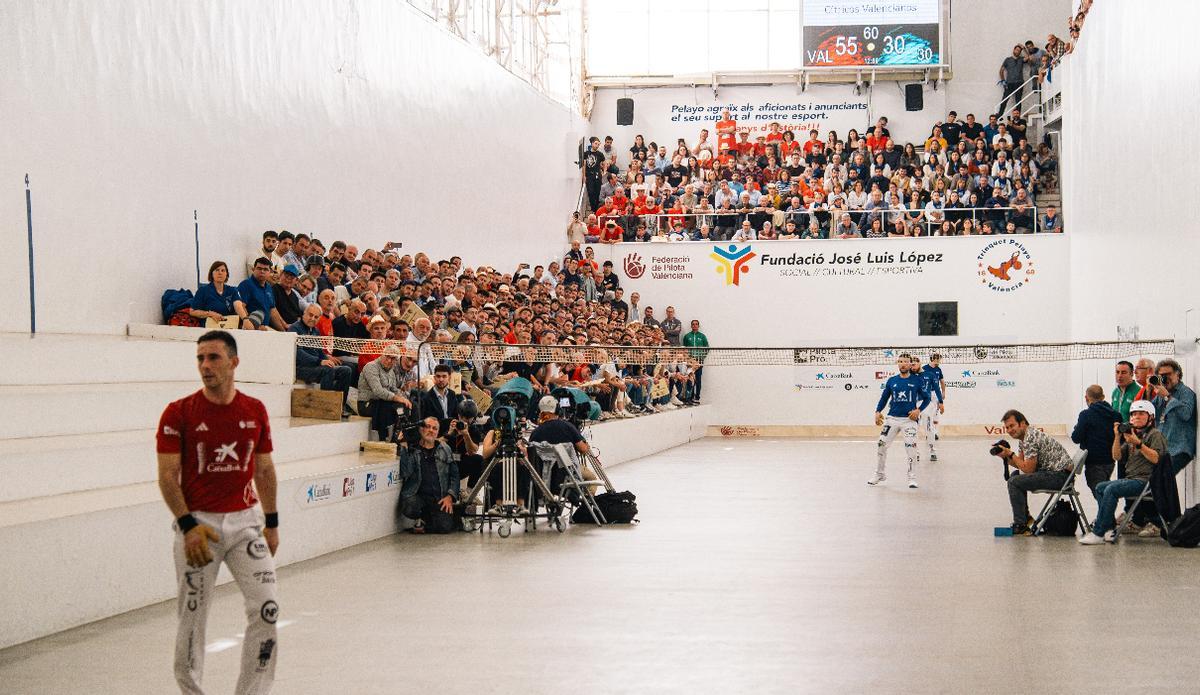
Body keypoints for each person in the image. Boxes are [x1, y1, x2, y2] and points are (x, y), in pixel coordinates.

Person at [155, 330, 280, 694]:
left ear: (234, 362)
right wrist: (188, 526)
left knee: (267, 607)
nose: (205, 366)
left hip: (245, 524)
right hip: (200, 526)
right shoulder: (178, 412)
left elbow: (264, 470)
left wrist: (272, 523)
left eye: (213, 358)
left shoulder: (254, 409)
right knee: (192, 619)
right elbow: (167, 475)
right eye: (200, 359)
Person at [1080, 401, 1167, 545]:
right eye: (1133, 414)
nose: (1136, 417)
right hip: (1131, 479)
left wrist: (1139, 444)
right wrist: (1117, 436)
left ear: (1150, 417)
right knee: (1100, 487)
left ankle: (1098, 533)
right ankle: (1109, 528)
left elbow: (1156, 458)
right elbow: (1117, 456)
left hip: (1146, 481)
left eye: (1141, 414)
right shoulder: (1132, 436)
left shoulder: (1155, 435)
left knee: (1111, 489)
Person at [992, 409, 1074, 536]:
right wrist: (1005, 456)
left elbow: (1028, 470)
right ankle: (1026, 518)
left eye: (1012, 426)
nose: (1009, 430)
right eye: (1007, 427)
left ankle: (1021, 524)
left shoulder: (1030, 438)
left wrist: (1011, 454)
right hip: (1057, 474)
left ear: (1022, 423)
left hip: (1061, 477)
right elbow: (1021, 465)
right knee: (1015, 476)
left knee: (1014, 482)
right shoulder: (1024, 438)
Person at [871, 353, 930, 488]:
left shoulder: (917, 380)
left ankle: (912, 477)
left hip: (909, 421)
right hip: (892, 419)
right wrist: (877, 411)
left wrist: (918, 410)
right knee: (881, 445)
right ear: (898, 363)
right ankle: (880, 474)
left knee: (911, 448)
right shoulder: (892, 380)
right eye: (900, 361)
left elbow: (927, 398)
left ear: (910, 364)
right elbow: (884, 398)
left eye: (905, 362)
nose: (903, 364)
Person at [396, 416, 459, 534]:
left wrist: (450, 496)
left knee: (445, 527)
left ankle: (425, 523)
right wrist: (403, 445)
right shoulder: (413, 449)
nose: (431, 430)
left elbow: (455, 475)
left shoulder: (445, 449)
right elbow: (405, 472)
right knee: (410, 507)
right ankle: (423, 518)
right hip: (418, 497)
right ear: (421, 429)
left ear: (438, 432)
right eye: (428, 427)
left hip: (439, 497)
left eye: (435, 428)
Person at [290, 305, 354, 416]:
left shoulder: (315, 331)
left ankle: (339, 406)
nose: (312, 318)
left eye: (316, 317)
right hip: (301, 368)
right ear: (304, 314)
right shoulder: (295, 329)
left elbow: (320, 352)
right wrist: (320, 361)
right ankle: (326, 407)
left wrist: (327, 359)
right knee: (327, 370)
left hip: (316, 366)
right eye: (310, 315)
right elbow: (298, 353)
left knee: (346, 370)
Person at [528, 395, 596, 497]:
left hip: (543, 479)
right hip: (567, 475)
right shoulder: (567, 427)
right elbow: (583, 449)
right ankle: (585, 503)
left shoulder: (535, 433)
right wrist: (586, 444)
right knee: (591, 478)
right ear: (557, 410)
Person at [1070, 384, 1121, 498]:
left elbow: (1076, 438)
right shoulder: (1116, 415)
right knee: (1104, 490)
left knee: (1100, 494)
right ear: (1103, 397)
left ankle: (1106, 510)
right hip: (1110, 460)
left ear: (1086, 398)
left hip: (1093, 461)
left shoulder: (1085, 415)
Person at [357, 344, 414, 442]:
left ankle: (402, 436)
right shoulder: (371, 367)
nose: (389, 360)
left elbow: (394, 389)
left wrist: (404, 399)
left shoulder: (390, 371)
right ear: (382, 355)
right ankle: (384, 437)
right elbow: (378, 391)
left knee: (408, 405)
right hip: (367, 404)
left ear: (396, 361)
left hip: (381, 402)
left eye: (393, 359)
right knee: (388, 405)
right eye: (387, 357)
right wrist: (397, 398)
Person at [1151, 358, 1196, 475]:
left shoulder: (1185, 392)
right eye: (1162, 376)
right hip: (1163, 450)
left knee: (1161, 477)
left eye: (1168, 374)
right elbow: (1149, 413)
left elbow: (1185, 414)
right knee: (1157, 479)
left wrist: (1167, 397)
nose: (1165, 378)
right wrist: (1148, 391)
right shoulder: (1160, 394)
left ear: (1178, 375)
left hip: (1179, 449)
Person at [189, 261, 245, 325]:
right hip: (209, 326)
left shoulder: (233, 290)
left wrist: (245, 319)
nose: (220, 273)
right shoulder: (203, 291)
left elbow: (238, 306)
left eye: (223, 270)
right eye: (217, 270)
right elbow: (192, 311)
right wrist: (210, 314)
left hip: (229, 326)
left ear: (226, 274)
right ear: (211, 274)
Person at [912, 354, 945, 461]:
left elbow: (937, 389)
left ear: (919, 363)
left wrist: (941, 402)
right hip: (913, 405)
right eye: (911, 364)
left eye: (914, 364)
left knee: (929, 428)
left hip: (926, 404)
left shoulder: (930, 375)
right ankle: (915, 452)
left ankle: (932, 451)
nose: (912, 366)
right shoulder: (909, 376)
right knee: (913, 429)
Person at [419, 364, 462, 436]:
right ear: (434, 378)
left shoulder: (452, 394)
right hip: (435, 435)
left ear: (449, 378)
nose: (441, 379)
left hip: (452, 434)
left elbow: (456, 415)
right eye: (438, 376)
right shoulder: (426, 398)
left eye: (444, 376)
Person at [682, 319, 708, 403]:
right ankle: (690, 397)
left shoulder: (702, 336)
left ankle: (697, 397)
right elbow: (684, 348)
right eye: (693, 324)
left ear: (698, 326)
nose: (694, 325)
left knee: (698, 379)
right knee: (690, 379)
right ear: (691, 326)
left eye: (696, 324)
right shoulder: (687, 336)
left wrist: (701, 358)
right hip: (690, 361)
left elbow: (707, 348)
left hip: (699, 361)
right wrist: (687, 358)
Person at [999, 45, 1027, 114]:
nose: (1018, 52)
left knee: (1018, 100)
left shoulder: (1021, 59)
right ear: (1014, 50)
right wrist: (1003, 80)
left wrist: (1024, 48)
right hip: (1009, 83)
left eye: (1019, 51)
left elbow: (1028, 57)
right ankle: (1000, 114)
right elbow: (1001, 70)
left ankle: (1018, 115)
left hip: (1019, 82)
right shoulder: (1008, 60)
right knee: (1005, 99)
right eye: (1017, 50)